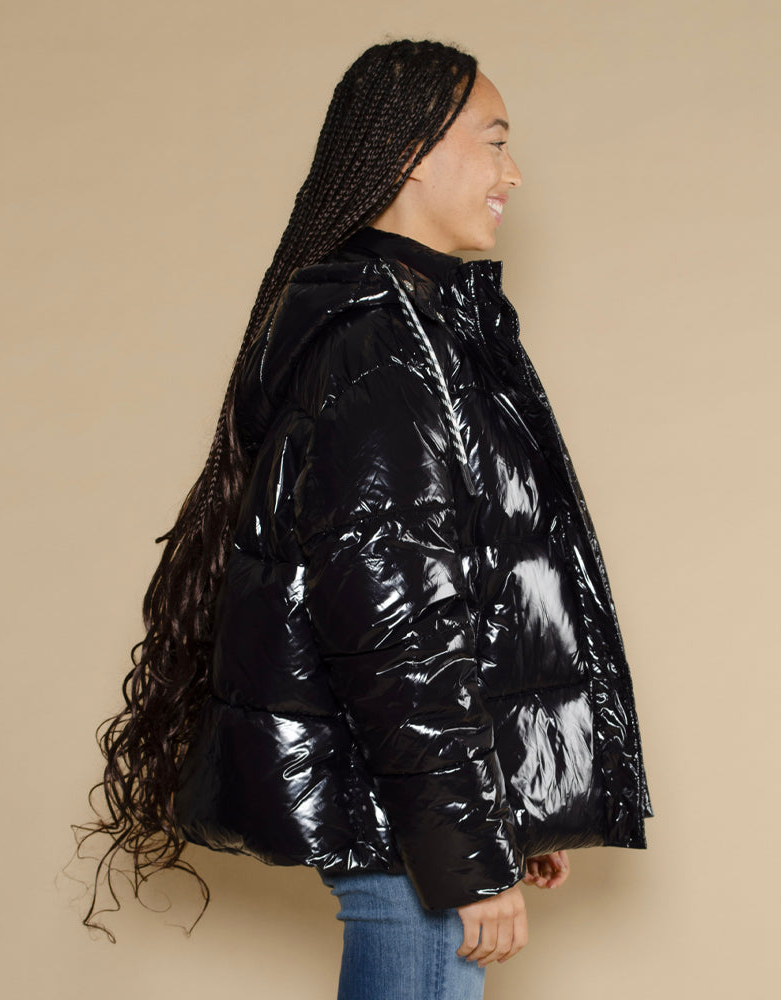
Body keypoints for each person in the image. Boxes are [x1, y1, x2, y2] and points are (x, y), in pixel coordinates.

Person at [76, 38, 653, 998]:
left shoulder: (420, 328)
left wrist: (507, 806)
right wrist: (467, 847)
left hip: (412, 821)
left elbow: (458, 590)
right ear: (411, 153)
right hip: (405, 835)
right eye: (495, 141)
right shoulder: (383, 344)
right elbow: (398, 626)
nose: (513, 172)